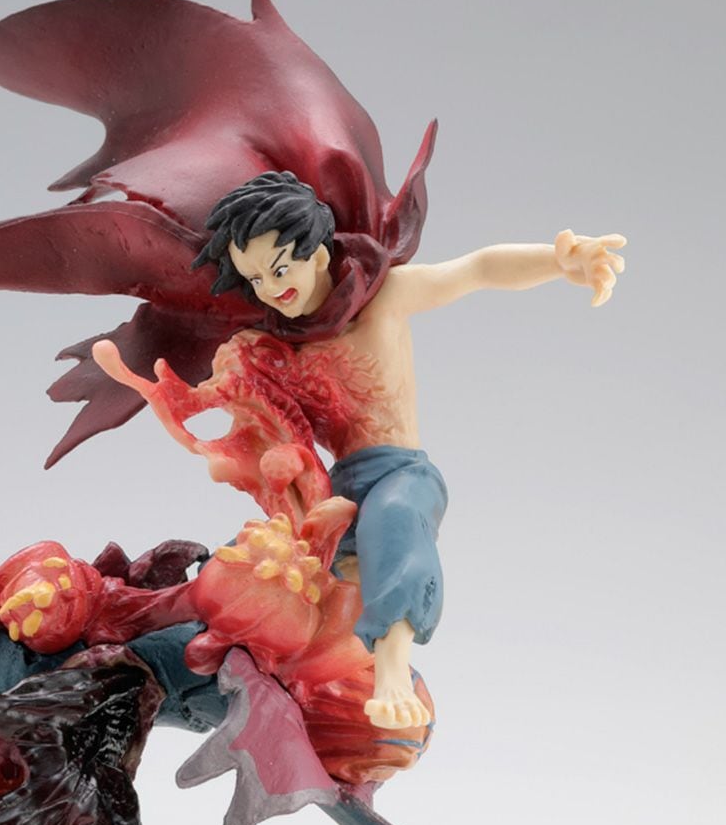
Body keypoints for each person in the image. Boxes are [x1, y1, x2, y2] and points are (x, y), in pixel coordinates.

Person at [180, 171, 625, 730]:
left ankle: (391, 671)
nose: (270, 287)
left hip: (402, 473)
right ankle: (204, 650)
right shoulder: (280, 350)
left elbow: (477, 270)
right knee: (263, 559)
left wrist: (561, 261)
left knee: (391, 519)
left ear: (318, 252)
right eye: (255, 278)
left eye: (280, 267)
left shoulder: (383, 300)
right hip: (337, 486)